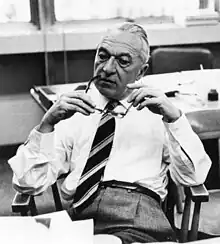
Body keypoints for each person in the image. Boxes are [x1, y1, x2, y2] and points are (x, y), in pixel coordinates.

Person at [8, 23, 211, 244]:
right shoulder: (73, 109)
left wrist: (175, 120)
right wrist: (46, 125)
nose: (106, 69)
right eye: (102, 56)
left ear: (141, 72)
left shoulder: (158, 112)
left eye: (123, 62)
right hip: (81, 219)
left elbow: (194, 177)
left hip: (138, 216)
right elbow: (27, 183)